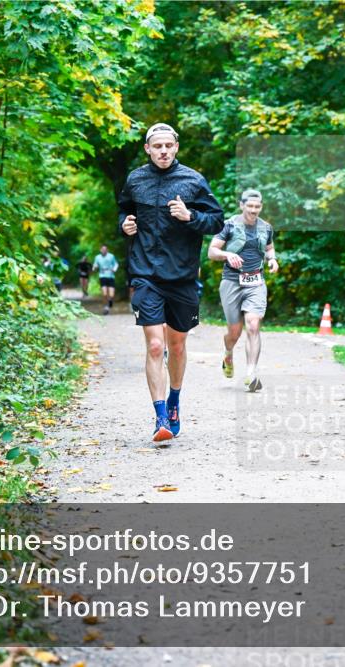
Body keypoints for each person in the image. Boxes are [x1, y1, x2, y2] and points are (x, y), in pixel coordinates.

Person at [119, 123, 224, 442]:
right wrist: (124, 224)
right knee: (155, 344)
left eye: (169, 145)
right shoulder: (135, 179)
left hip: (181, 276)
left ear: (176, 147)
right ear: (147, 149)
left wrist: (189, 216)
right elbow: (124, 210)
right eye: (157, 146)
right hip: (145, 273)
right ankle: (160, 416)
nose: (163, 151)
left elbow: (217, 221)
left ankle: (175, 400)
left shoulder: (193, 180)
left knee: (176, 345)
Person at [207, 189, 278, 392]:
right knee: (235, 332)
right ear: (242, 205)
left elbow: (269, 247)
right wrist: (227, 255)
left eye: (257, 207)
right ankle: (228, 353)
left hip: (256, 282)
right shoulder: (229, 225)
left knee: (253, 325)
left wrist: (272, 259)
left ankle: (251, 374)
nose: (254, 210)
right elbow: (212, 251)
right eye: (250, 206)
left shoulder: (266, 227)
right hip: (232, 282)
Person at [93, 245, 119, 315]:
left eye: (105, 249)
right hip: (102, 276)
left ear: (107, 250)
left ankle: (110, 301)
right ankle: (106, 307)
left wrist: (114, 269)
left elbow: (116, 264)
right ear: (100, 250)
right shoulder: (97, 257)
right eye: (102, 249)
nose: (104, 250)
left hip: (111, 276)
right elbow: (95, 265)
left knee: (111, 294)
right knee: (104, 293)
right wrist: (94, 267)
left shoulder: (111, 256)